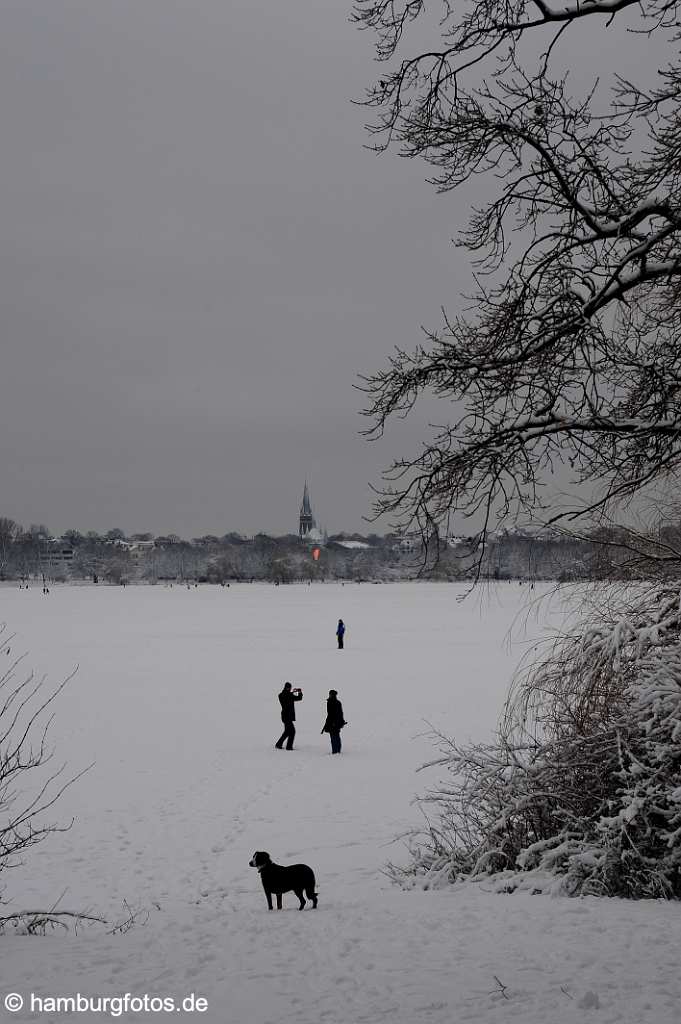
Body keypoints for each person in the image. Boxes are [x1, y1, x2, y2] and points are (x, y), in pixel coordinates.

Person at [275, 682, 303, 750]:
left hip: (284, 716)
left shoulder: (281, 695)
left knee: (287, 731)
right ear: (288, 688)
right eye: (290, 688)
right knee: (292, 731)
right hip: (288, 717)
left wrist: (291, 692)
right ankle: (289, 747)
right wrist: (299, 692)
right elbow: (299, 698)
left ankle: (279, 744)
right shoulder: (289, 695)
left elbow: (285, 695)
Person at [321, 689, 346, 754]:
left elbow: (331, 714)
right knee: (336, 736)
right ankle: (337, 750)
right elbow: (341, 713)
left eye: (330, 694)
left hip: (332, 723)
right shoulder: (338, 702)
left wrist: (328, 724)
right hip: (336, 723)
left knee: (334, 737)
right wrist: (341, 721)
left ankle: (335, 751)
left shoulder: (330, 702)